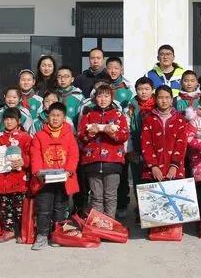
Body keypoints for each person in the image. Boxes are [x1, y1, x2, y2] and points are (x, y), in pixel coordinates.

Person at [30, 102, 79, 250]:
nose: (55, 118)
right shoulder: (39, 136)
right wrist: (38, 172)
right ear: (47, 117)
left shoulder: (69, 136)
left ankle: (57, 234)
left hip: (63, 179)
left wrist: (69, 170)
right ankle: (42, 235)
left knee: (60, 208)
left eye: (58, 116)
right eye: (52, 115)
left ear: (64, 118)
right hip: (44, 180)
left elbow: (74, 155)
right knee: (44, 208)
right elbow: (35, 156)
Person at [77, 84, 129, 219]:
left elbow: (124, 135)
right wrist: (91, 133)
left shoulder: (118, 115)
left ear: (111, 98)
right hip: (92, 162)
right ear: (95, 98)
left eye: (106, 96)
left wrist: (111, 133)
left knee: (110, 196)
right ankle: (98, 225)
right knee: (96, 196)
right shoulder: (88, 114)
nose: (103, 99)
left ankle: (109, 223)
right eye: (100, 96)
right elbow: (80, 135)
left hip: (113, 162)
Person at [0, 107, 32, 243]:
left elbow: (32, 156)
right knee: (5, 208)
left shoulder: (25, 137)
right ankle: (8, 230)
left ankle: (22, 231)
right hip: (1, 180)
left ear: (19, 121)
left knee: (20, 208)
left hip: (19, 180)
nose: (9, 122)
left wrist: (24, 161)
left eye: (12, 119)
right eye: (6, 119)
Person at [118, 77, 156, 220]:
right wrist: (130, 150)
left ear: (152, 90)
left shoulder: (158, 104)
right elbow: (126, 129)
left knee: (154, 179)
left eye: (146, 89)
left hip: (155, 149)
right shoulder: (131, 106)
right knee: (138, 180)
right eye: (140, 89)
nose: (143, 92)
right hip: (137, 147)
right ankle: (142, 211)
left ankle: (155, 212)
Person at [141, 86, 189, 183]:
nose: (164, 101)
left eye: (167, 97)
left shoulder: (180, 119)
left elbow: (181, 144)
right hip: (152, 172)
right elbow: (146, 144)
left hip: (175, 171)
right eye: (160, 97)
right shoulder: (148, 119)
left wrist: (174, 166)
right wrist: (153, 166)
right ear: (155, 99)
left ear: (171, 99)